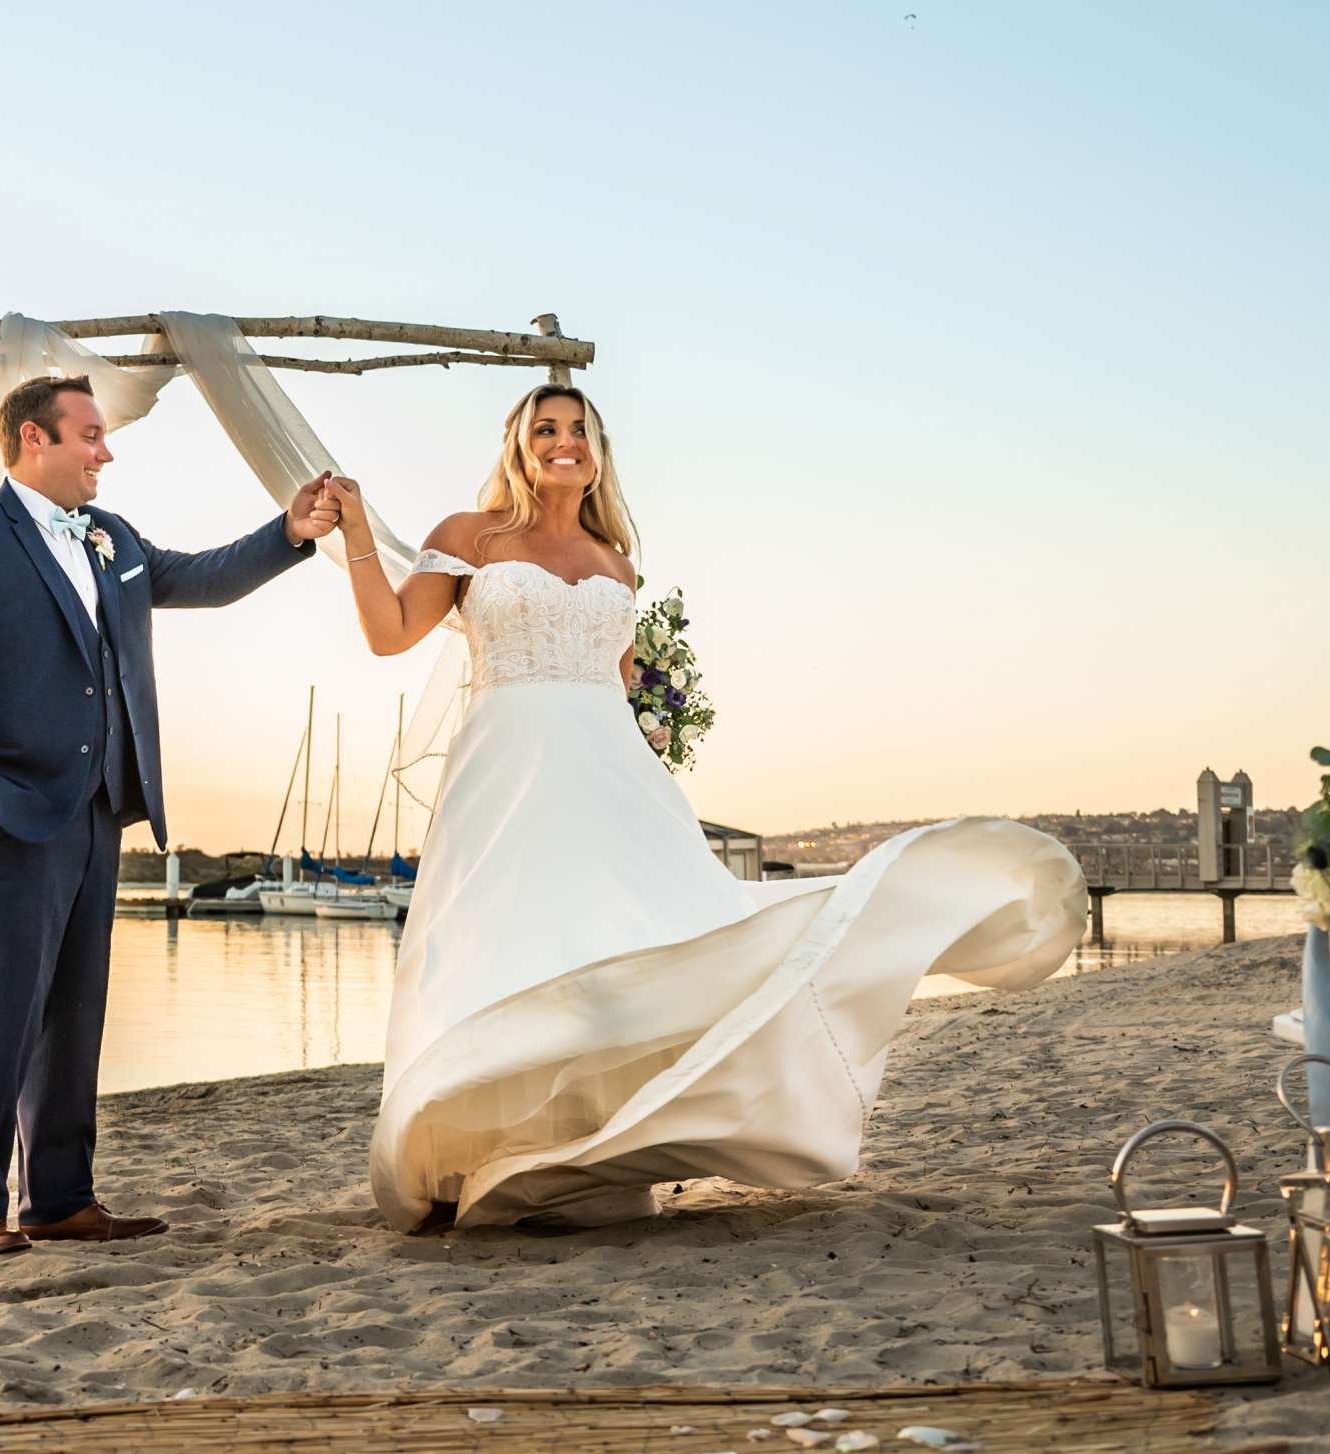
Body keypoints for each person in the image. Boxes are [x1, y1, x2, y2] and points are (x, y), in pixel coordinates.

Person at [325, 386, 1087, 1230]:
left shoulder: (617, 563)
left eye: (579, 431)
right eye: (546, 429)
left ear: (600, 451)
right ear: (518, 444)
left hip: (608, 776)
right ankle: (474, 1144)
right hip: (505, 766)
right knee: (499, 941)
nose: (563, 443)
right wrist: (359, 535)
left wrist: (647, 726)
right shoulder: (467, 538)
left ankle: (591, 1155)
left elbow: (615, 682)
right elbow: (391, 632)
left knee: (627, 945)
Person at [0, 375, 339, 1259]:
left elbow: (205, 578)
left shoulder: (115, 540)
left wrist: (290, 533)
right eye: (90, 435)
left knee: (75, 1012)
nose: (106, 451)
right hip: (12, 814)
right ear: (35, 439)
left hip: (103, 810)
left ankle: (59, 1197)